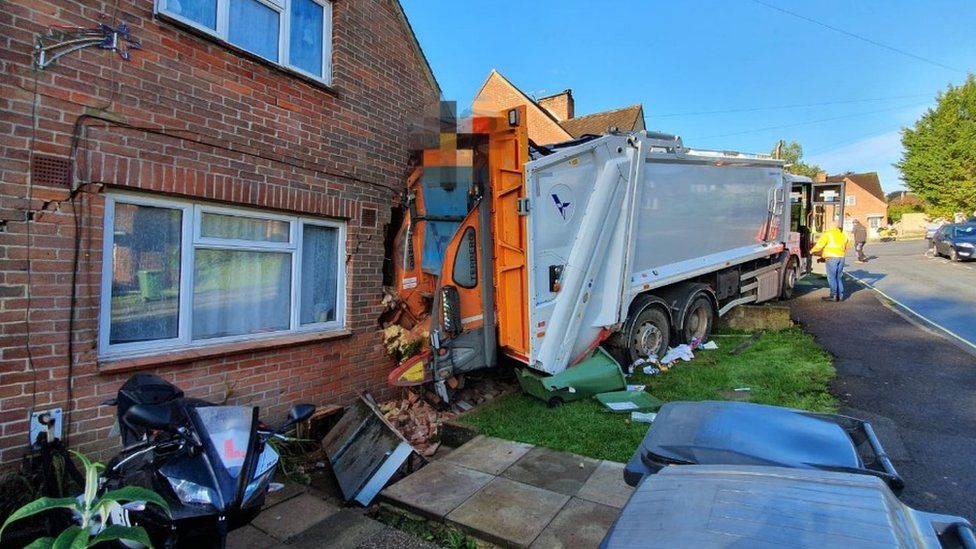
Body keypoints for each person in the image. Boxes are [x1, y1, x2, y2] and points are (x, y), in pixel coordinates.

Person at [811, 220, 851, 302]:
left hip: (831, 258)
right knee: (838, 277)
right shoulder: (843, 235)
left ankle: (833, 295)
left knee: (831, 277)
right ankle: (840, 296)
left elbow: (819, 246)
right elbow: (847, 246)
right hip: (841, 257)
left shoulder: (827, 234)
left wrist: (811, 251)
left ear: (831, 226)